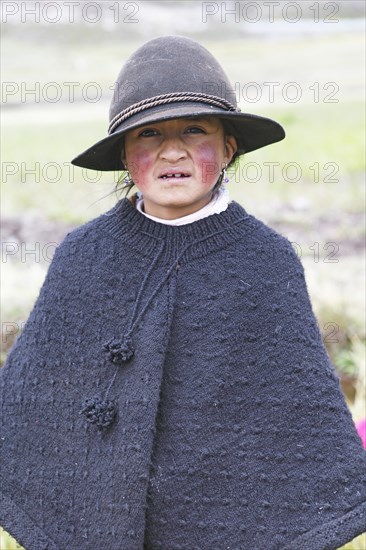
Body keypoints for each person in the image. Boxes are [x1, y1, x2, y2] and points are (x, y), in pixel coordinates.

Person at [1, 35, 365, 550]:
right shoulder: (84, 255)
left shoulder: (265, 261)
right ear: (125, 156)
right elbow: (34, 400)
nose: (172, 149)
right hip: (97, 513)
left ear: (228, 147)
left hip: (228, 517)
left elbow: (295, 415)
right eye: (148, 133)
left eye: (195, 129)